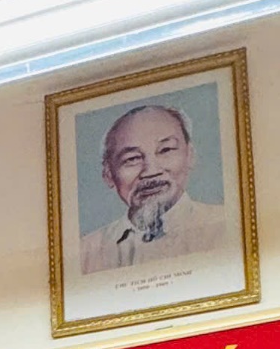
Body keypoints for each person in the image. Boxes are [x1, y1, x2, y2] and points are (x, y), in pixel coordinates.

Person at [79, 102, 228, 274]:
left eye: (165, 150)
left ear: (190, 155)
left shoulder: (226, 227)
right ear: (108, 174)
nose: (150, 171)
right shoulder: (85, 254)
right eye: (132, 159)